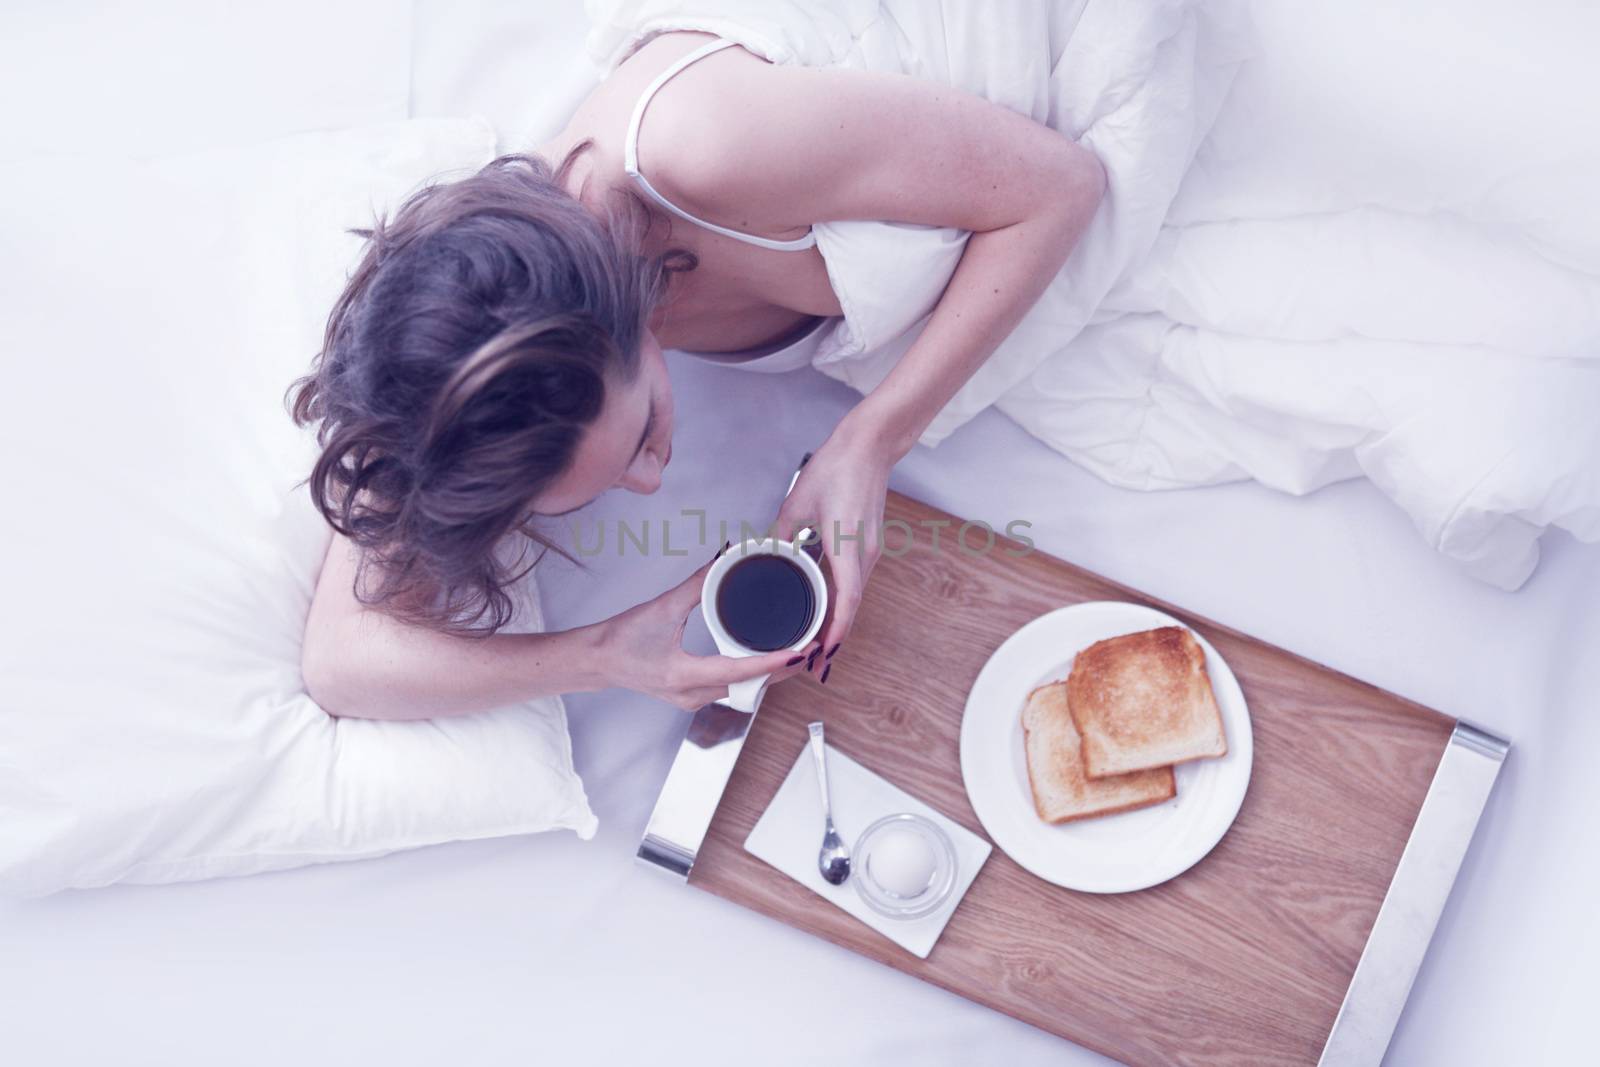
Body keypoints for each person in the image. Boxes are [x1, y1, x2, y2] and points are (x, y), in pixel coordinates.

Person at [291, 14, 1123, 720]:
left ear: (624, 298)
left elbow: (1062, 185)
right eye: (614, 482)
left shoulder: (703, 147)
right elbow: (340, 662)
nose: (654, 481)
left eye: (643, 431)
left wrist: (869, 441)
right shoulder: (455, 382)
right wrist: (605, 655)